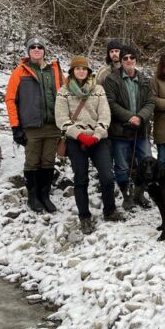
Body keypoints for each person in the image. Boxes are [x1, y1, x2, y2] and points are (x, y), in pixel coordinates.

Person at [55, 56, 122, 234]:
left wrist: (97, 134)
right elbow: (61, 119)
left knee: (107, 176)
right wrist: (79, 135)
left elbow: (105, 115)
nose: (81, 71)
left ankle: (109, 210)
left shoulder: (98, 89)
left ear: (88, 71)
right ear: (72, 71)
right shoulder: (64, 91)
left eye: (84, 69)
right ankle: (84, 216)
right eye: (77, 69)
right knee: (81, 179)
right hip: (76, 140)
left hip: (98, 139)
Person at [5, 35, 64, 213]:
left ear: (44, 50)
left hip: (53, 125)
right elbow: (10, 99)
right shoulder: (20, 72)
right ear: (28, 51)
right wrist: (16, 127)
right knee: (32, 162)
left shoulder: (55, 70)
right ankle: (33, 197)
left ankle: (45, 195)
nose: (36, 49)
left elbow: (67, 94)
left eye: (40, 47)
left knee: (48, 161)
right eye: (33, 47)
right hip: (32, 126)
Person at [104, 44, 155, 210]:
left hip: (141, 130)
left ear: (135, 59)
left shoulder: (144, 80)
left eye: (131, 57)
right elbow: (110, 103)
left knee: (146, 162)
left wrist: (140, 117)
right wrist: (129, 117)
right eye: (125, 58)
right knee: (121, 166)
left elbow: (150, 102)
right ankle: (126, 195)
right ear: (121, 60)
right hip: (120, 131)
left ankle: (139, 194)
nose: (128, 60)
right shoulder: (112, 80)